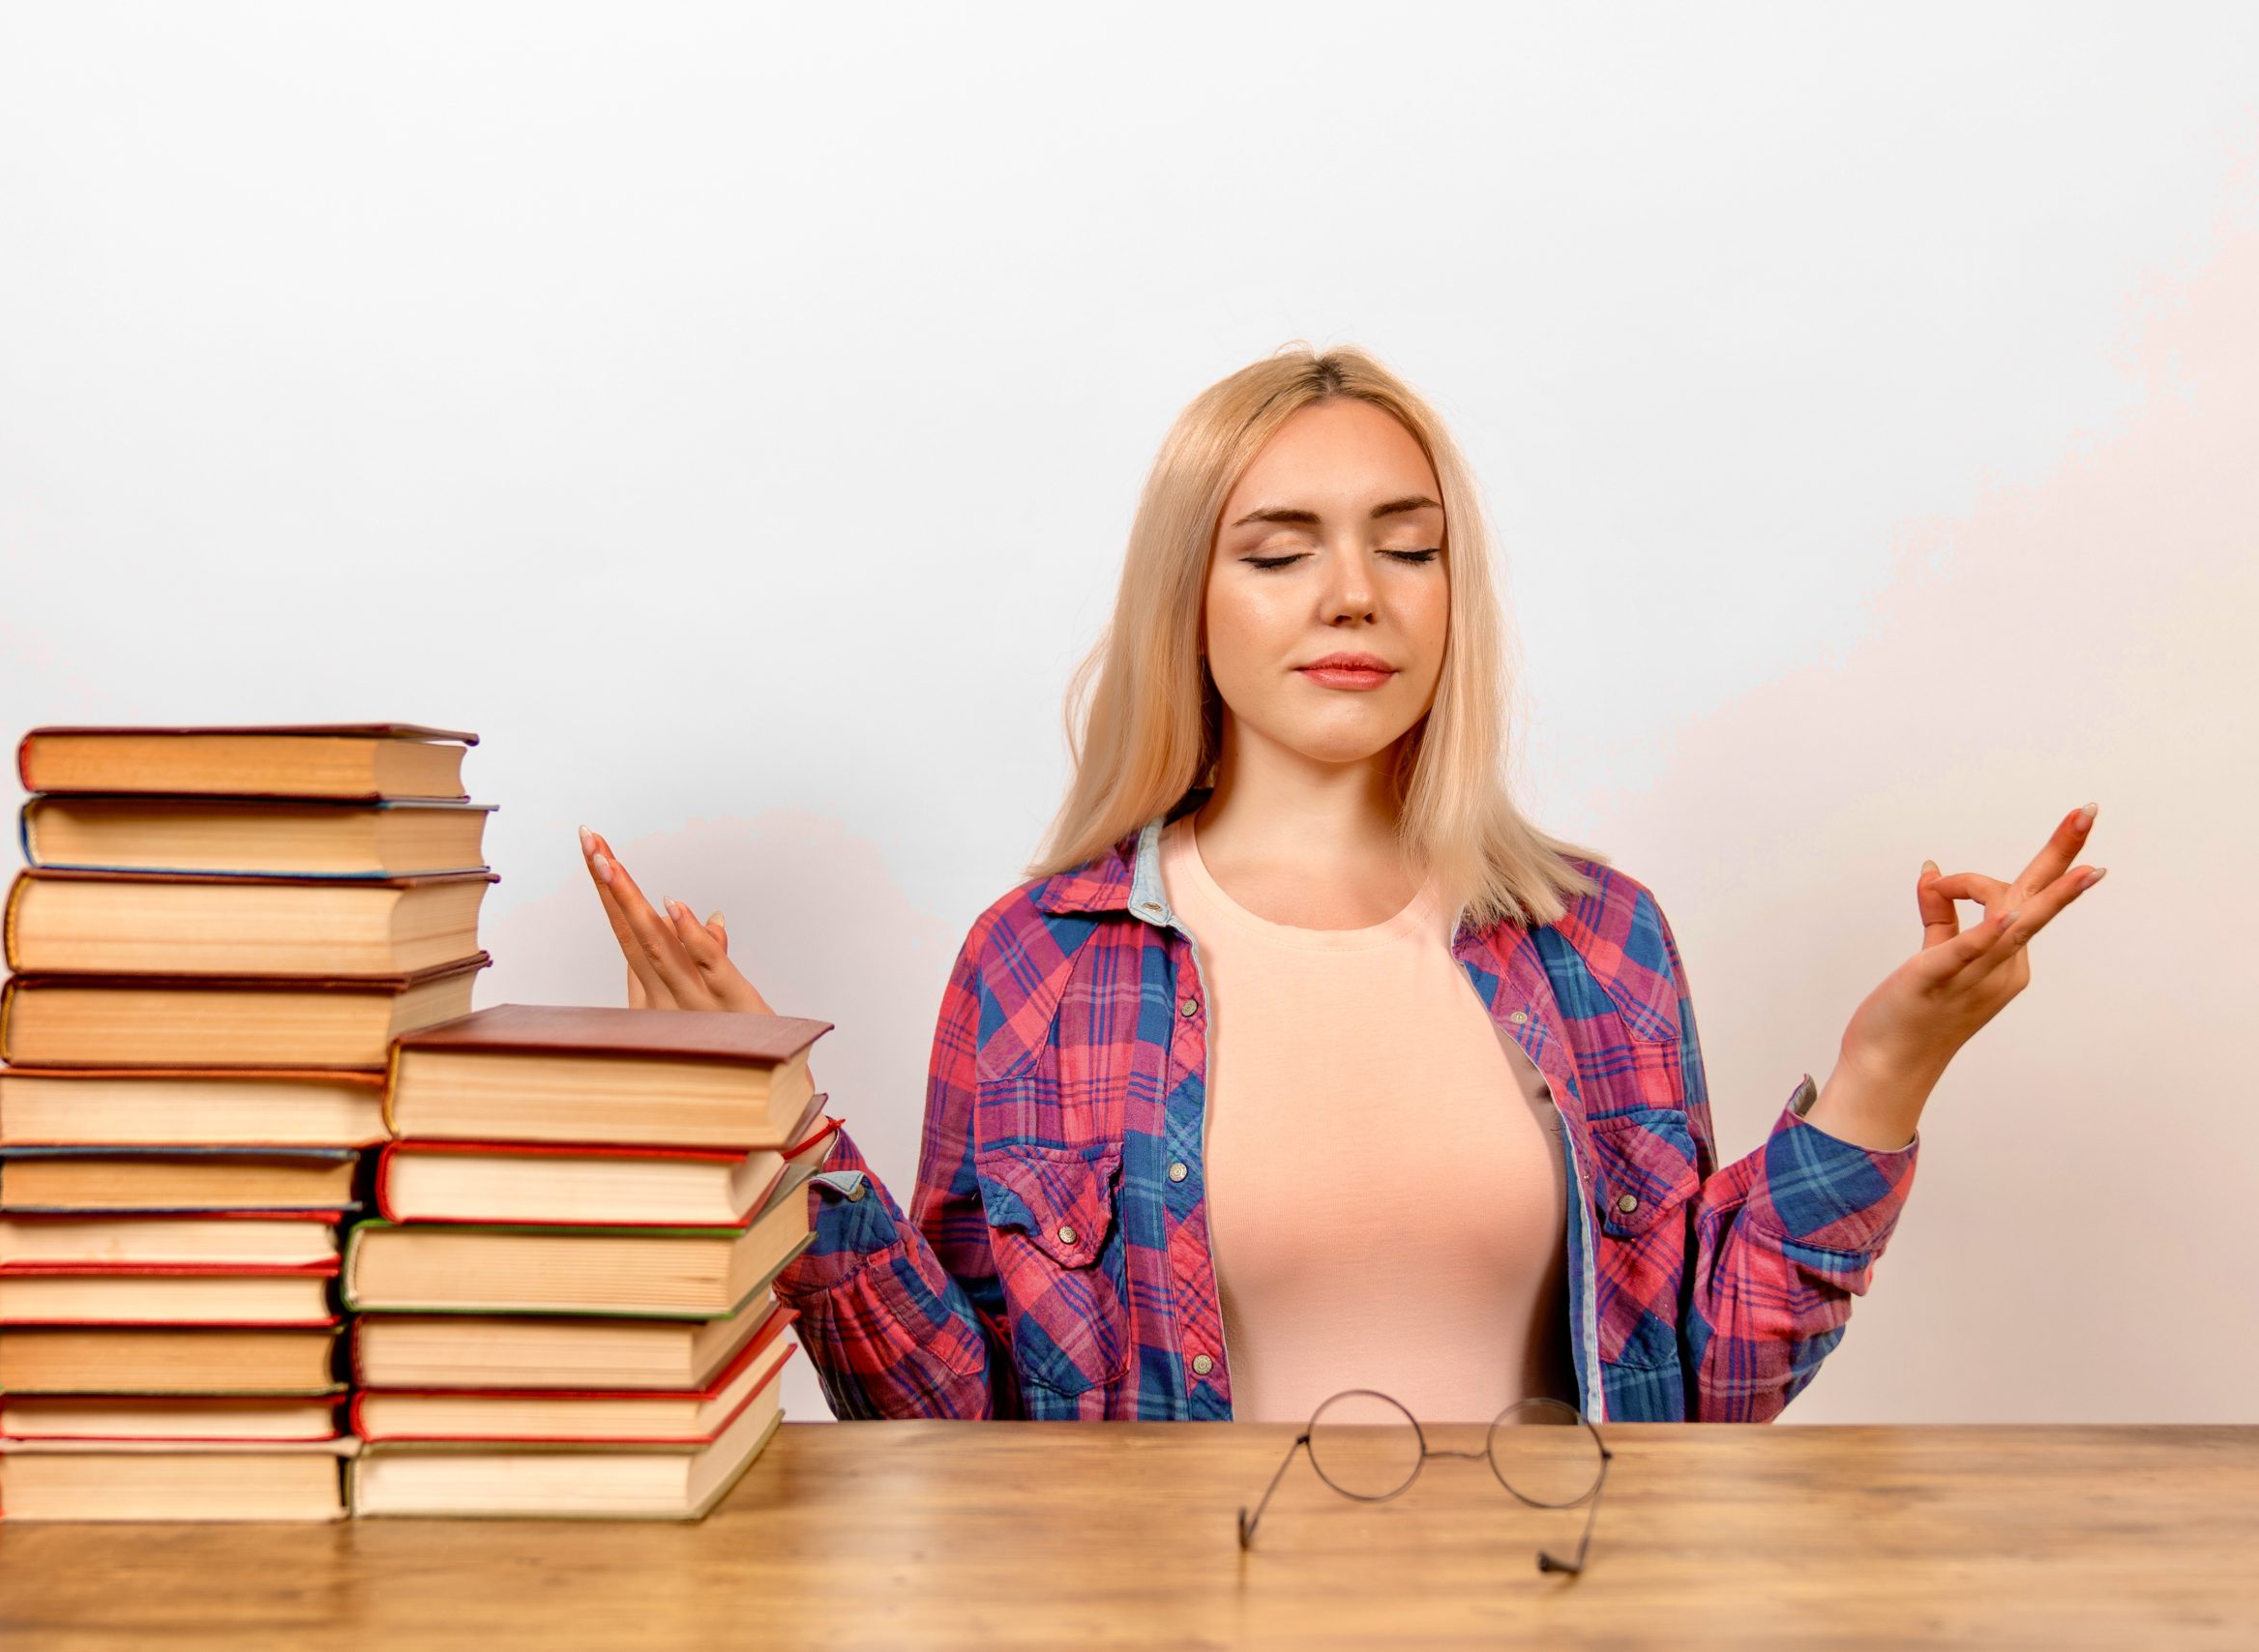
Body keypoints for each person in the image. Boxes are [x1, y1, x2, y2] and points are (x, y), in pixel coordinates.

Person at [579, 342, 2104, 1426]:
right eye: (1278, 552)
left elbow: (1702, 1392)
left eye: (1407, 548)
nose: (1354, 595)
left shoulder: (1599, 938)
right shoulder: (1038, 962)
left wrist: (1889, 1069)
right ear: (1189, 602)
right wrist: (777, 1134)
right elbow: (950, 1430)